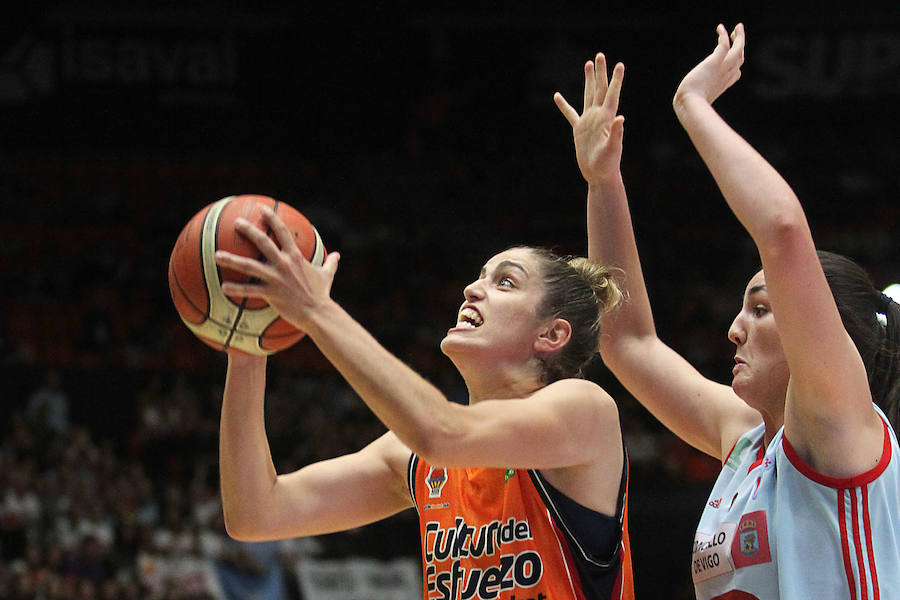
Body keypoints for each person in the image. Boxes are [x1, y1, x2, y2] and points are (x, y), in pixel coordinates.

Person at [555, 24, 900, 598]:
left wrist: (693, 106)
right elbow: (627, 343)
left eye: (762, 310)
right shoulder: (746, 442)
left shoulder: (838, 428)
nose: (734, 330)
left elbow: (784, 230)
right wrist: (603, 182)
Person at [212, 171, 635, 595]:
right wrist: (247, 341)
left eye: (504, 282)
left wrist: (316, 311)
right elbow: (256, 513)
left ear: (551, 335)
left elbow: (442, 432)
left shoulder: (584, 409)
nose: (471, 289)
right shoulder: (415, 455)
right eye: (480, 276)